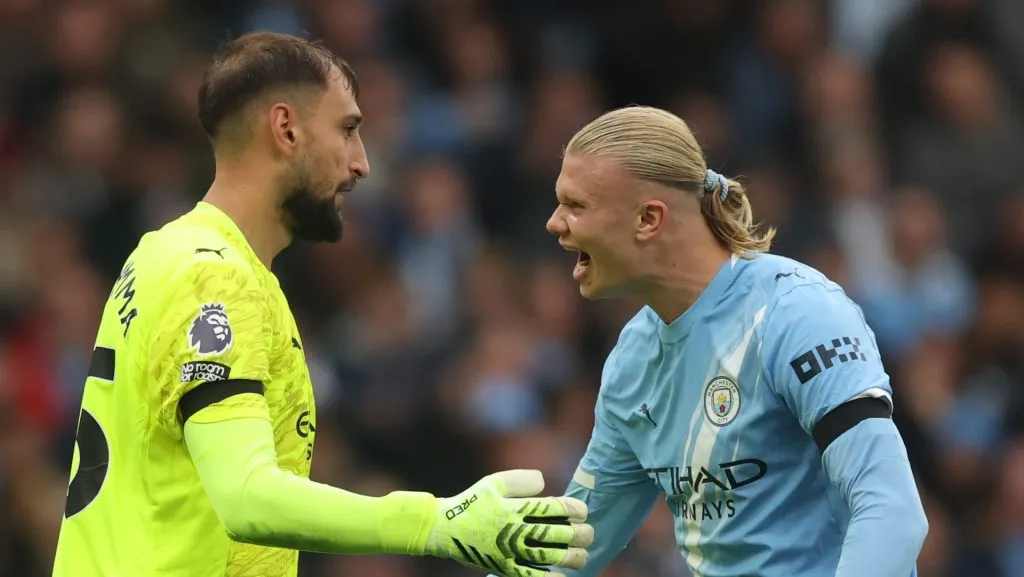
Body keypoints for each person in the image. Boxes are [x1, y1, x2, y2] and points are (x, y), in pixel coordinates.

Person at [51, 31, 592, 577]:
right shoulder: (214, 277)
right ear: (286, 128)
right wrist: (434, 522)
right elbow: (246, 497)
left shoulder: (162, 253)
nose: (363, 164)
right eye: (349, 130)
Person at [544, 106, 928, 576]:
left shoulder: (795, 313)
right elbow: (569, 549)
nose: (554, 222)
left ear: (648, 218)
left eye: (575, 205)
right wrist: (437, 526)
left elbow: (893, 512)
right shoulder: (633, 358)